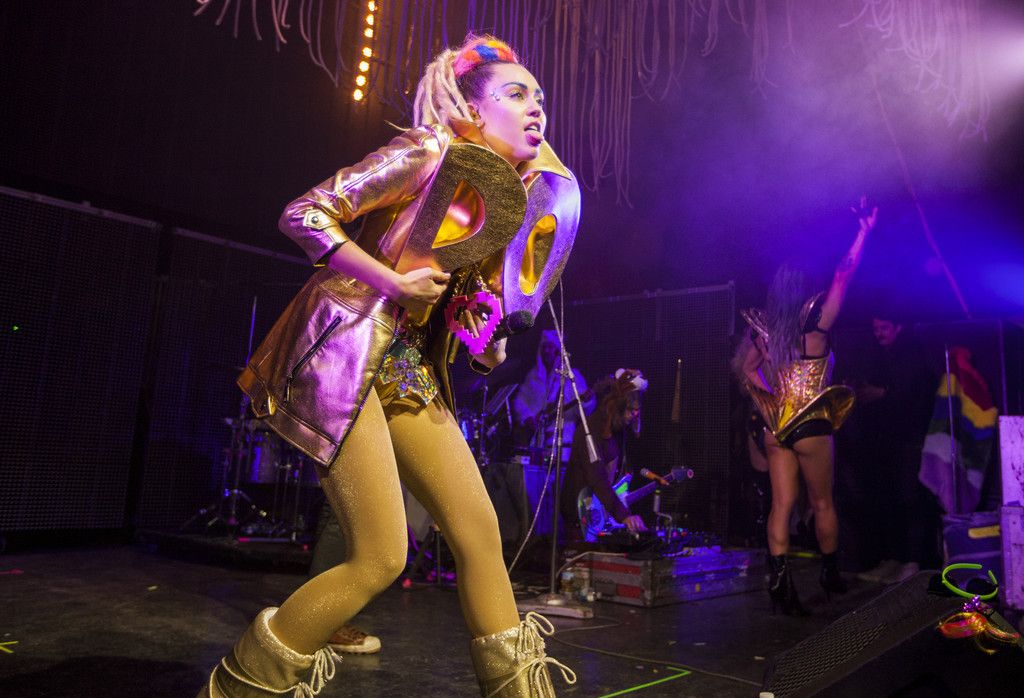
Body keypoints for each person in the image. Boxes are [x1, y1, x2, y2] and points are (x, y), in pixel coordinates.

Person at [199, 35, 578, 697]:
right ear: (472, 109)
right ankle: (236, 690)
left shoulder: (503, 204)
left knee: (479, 532)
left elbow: (457, 321)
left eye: (540, 98)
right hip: (343, 353)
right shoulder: (429, 151)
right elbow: (304, 214)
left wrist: (483, 344)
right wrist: (393, 283)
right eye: (517, 94)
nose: (536, 108)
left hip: (405, 369)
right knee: (380, 555)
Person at [734, 199, 877, 615]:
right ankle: (830, 574)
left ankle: (780, 584)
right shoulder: (817, 322)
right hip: (811, 423)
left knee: (781, 506)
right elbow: (844, 274)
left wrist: (768, 403)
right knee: (822, 503)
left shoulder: (767, 330)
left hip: (777, 426)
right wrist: (863, 233)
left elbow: (746, 370)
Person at [853, 314, 939, 583]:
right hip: (884, 440)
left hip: (911, 438)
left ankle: (913, 560)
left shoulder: (913, 353)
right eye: (875, 328)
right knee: (887, 498)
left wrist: (883, 394)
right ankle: (893, 558)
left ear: (898, 326)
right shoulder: (878, 355)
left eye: (884, 328)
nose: (879, 333)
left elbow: (918, 394)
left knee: (910, 498)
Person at [560, 369, 649, 542]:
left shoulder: (618, 430)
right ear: (619, 405)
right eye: (630, 410)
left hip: (599, 515)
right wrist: (623, 515)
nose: (634, 415)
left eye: (636, 410)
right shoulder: (591, 430)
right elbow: (597, 477)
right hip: (580, 517)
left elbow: (612, 476)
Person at [512, 330, 593, 464]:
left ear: (558, 351)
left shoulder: (571, 376)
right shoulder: (533, 376)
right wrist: (528, 418)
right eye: (544, 347)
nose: (547, 351)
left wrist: (587, 401)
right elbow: (519, 403)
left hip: (563, 442)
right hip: (536, 442)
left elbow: (583, 412)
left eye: (550, 347)